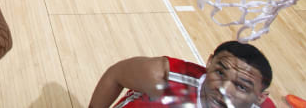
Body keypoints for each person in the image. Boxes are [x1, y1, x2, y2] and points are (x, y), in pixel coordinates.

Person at [88, 41, 276, 108]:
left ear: (259, 98)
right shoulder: (164, 77)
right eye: (220, 73)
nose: (223, 89)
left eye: (241, 86)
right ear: (209, 63)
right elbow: (116, 74)